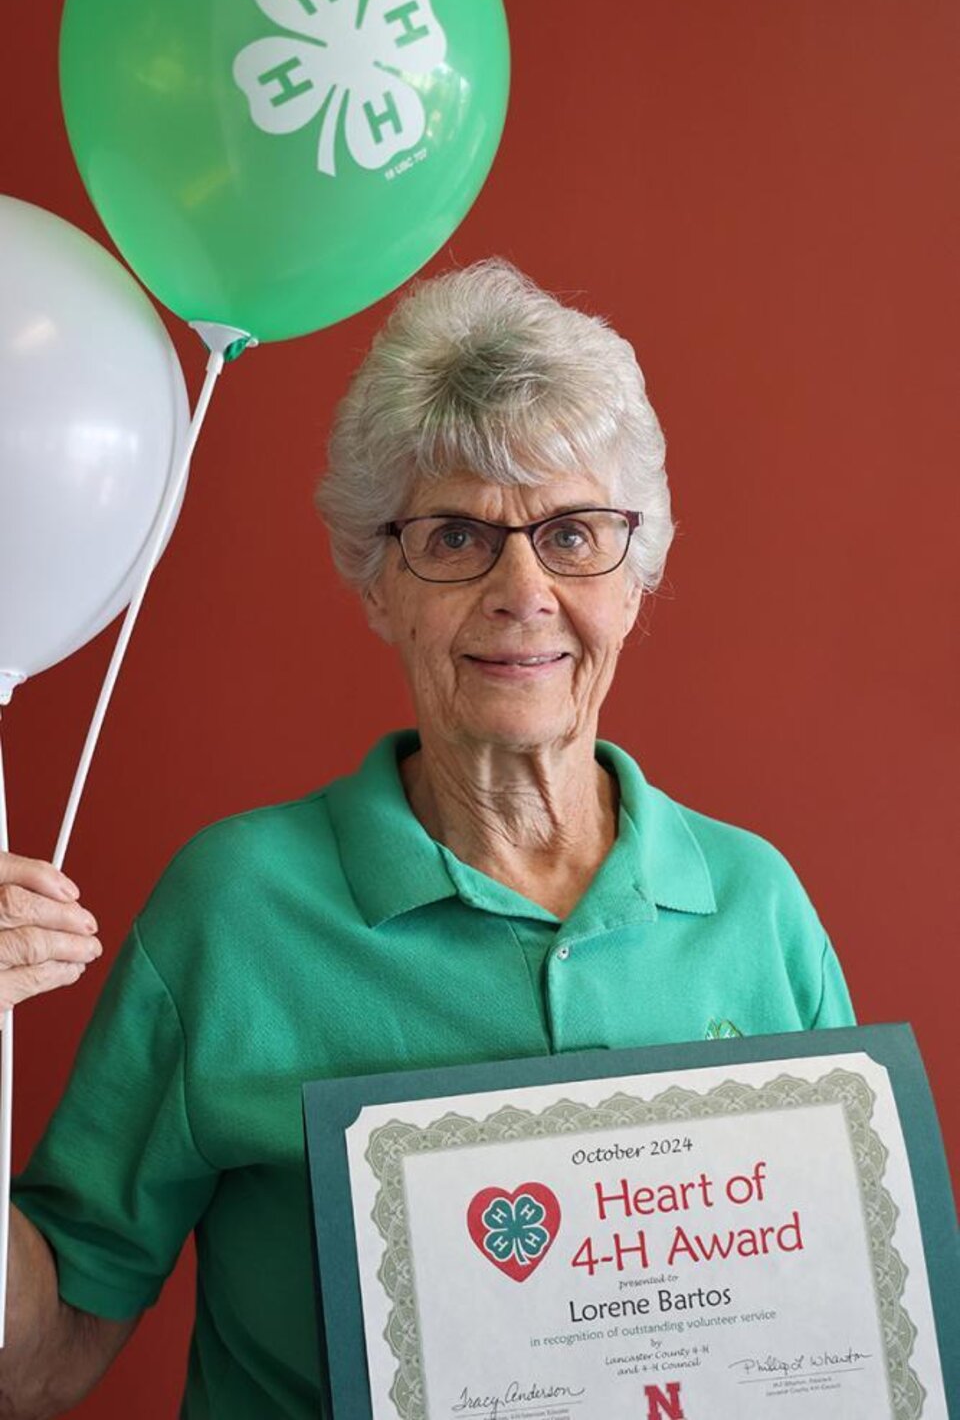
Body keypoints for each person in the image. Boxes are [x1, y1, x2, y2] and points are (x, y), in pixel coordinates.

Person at [2, 260, 853, 1417]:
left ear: (635, 573)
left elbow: (837, 1333)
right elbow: (37, 1363)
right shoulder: (232, 906)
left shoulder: (759, 906)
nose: (523, 588)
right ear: (377, 578)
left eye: (572, 532)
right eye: (456, 536)